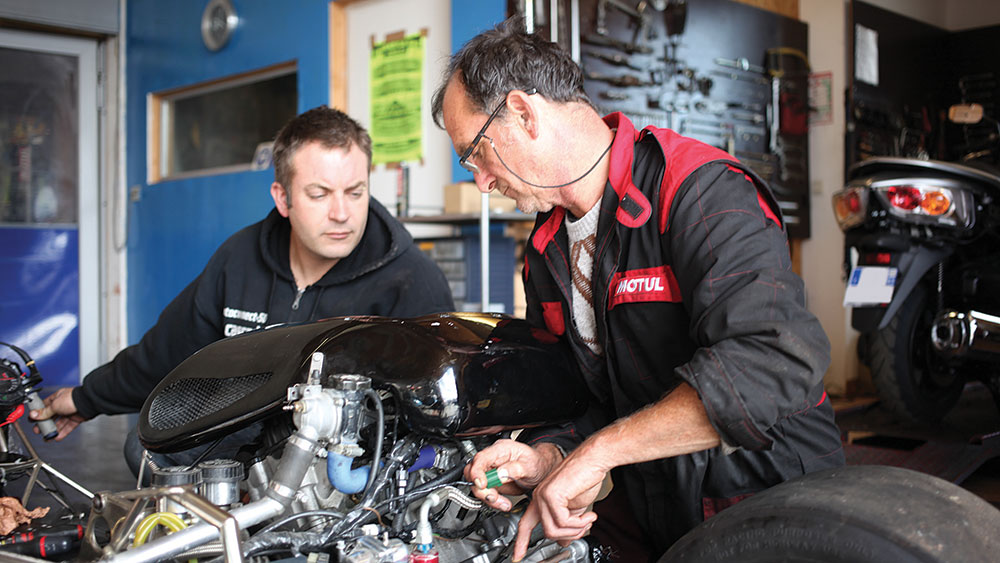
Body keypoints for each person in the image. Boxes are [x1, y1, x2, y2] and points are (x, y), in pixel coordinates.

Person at [431, 18, 844, 562]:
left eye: (475, 152)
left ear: (524, 113)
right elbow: (579, 395)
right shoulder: (547, 246)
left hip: (767, 497)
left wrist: (600, 453)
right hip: (652, 507)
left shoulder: (698, 189)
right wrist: (549, 456)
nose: (480, 181)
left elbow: (773, 362)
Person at [30, 106, 454, 474]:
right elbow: (167, 353)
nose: (342, 213)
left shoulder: (411, 281)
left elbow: (440, 411)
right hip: (249, 443)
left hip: (350, 459)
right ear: (283, 198)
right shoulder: (240, 259)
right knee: (147, 451)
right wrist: (87, 398)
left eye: (354, 192)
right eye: (319, 194)